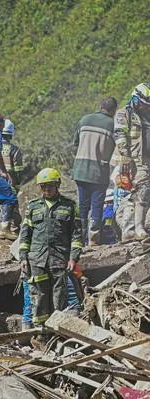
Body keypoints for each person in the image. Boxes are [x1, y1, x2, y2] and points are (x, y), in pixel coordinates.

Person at [19, 168, 83, 327]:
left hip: (59, 259)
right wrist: (23, 257)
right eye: (43, 186)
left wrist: (73, 258)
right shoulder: (33, 207)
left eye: (50, 185)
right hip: (37, 260)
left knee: (58, 296)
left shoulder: (69, 206)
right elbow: (25, 234)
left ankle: (57, 329)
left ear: (58, 185)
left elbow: (77, 235)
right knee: (39, 296)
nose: (47, 189)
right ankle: (40, 332)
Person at [72, 97, 118, 246]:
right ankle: (93, 240)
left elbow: (75, 142)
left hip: (80, 170)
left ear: (101, 106)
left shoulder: (85, 119)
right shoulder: (112, 124)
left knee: (83, 207)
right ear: (113, 110)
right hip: (99, 172)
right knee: (97, 206)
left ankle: (80, 240)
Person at [114, 83, 150, 240]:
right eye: (143, 104)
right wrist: (125, 155)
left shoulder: (147, 114)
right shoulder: (124, 113)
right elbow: (119, 133)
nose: (145, 107)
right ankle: (138, 228)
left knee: (135, 194)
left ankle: (129, 231)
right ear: (135, 99)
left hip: (146, 159)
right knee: (142, 190)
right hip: (134, 160)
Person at [0, 118, 23, 237]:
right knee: (14, 215)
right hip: (8, 187)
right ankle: (12, 237)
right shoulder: (14, 150)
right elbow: (18, 172)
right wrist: (17, 185)